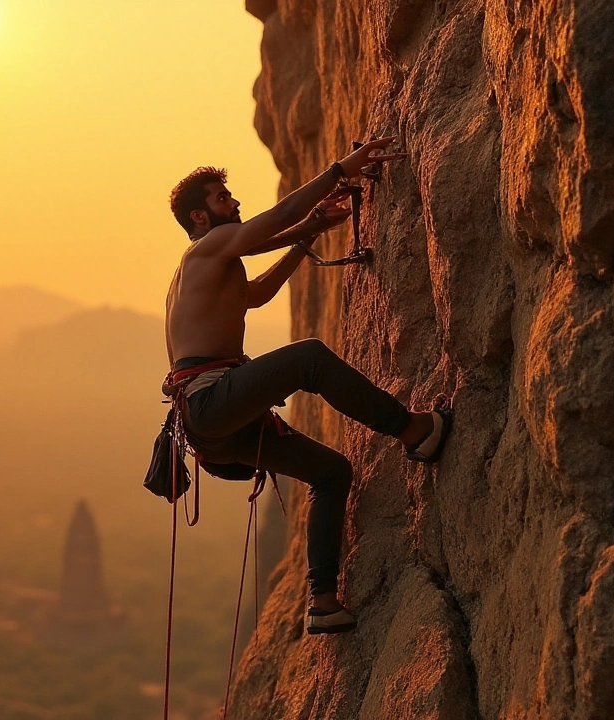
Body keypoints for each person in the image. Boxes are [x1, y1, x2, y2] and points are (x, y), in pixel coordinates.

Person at [162, 137, 452, 635]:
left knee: (332, 472)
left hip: (216, 420)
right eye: (220, 198)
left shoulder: (214, 265)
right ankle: (411, 429)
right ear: (200, 219)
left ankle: (322, 601)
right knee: (309, 358)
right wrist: (339, 170)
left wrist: (309, 234)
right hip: (211, 401)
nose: (233, 202)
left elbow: (256, 294)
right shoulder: (205, 251)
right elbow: (274, 219)